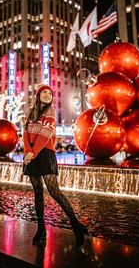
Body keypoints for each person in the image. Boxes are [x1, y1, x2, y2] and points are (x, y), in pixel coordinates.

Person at [23, 83, 89, 248]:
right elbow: (25, 135)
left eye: (49, 93)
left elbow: (46, 135)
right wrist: (27, 153)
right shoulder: (29, 114)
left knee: (54, 191)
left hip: (45, 154)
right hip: (31, 155)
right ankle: (41, 229)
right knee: (37, 192)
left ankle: (76, 225)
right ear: (38, 95)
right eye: (44, 93)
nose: (47, 95)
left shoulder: (51, 112)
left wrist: (33, 153)